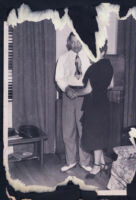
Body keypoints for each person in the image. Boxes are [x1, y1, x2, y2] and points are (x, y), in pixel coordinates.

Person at [71, 40, 114, 178]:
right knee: (100, 134)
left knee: (95, 136)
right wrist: (100, 88)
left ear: (101, 51)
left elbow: (88, 89)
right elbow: (111, 85)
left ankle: (96, 167)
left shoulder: (93, 68)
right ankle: (102, 163)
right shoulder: (108, 65)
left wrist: (76, 93)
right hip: (104, 103)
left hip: (94, 105)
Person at [55, 32, 92, 172]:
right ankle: (70, 161)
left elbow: (93, 76)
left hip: (85, 94)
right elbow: (59, 78)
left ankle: (85, 162)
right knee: (68, 129)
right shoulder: (63, 58)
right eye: (73, 42)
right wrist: (66, 89)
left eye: (79, 41)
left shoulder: (89, 58)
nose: (76, 45)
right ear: (69, 43)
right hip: (68, 95)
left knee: (84, 129)